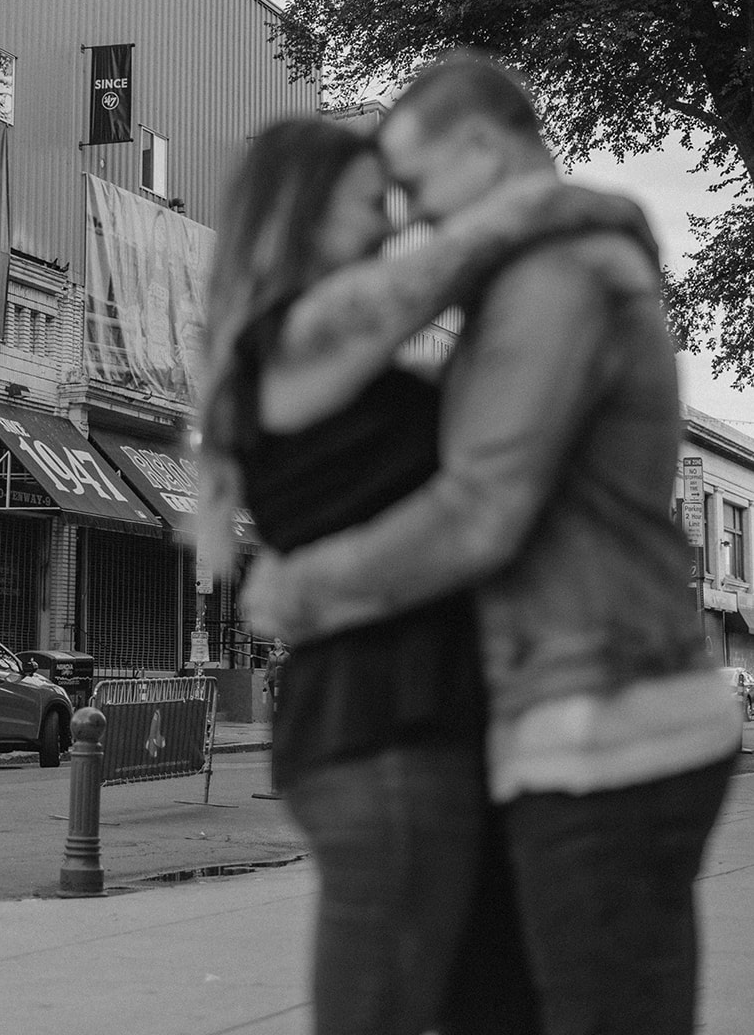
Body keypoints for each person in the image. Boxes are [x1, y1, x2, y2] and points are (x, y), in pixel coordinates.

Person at [241, 53, 741, 1035]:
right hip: (580, 718)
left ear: (478, 147)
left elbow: (481, 508)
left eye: (419, 188)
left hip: (604, 727)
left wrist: (303, 589)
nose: (414, 220)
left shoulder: (555, 279)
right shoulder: (538, 271)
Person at [262, 636, 289, 721]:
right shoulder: (271, 654)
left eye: (278, 642)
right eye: (275, 642)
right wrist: (265, 677)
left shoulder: (287, 655)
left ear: (282, 643)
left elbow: (289, 667)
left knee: (280, 699)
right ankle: (277, 718)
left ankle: (283, 718)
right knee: (274, 699)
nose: (276, 644)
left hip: (281, 679)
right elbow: (268, 666)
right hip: (272, 678)